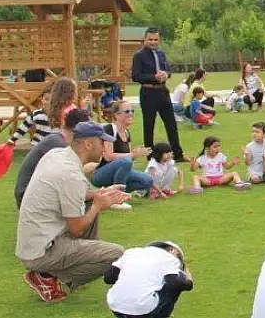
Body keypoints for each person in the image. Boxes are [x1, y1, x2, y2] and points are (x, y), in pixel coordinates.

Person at [16, 122, 128, 303]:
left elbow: (71, 194)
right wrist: (98, 205)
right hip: (42, 250)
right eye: (102, 142)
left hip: (34, 241)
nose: (105, 147)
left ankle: (57, 270)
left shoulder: (57, 155)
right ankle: (50, 278)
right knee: (117, 254)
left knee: (90, 203)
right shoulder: (71, 175)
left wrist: (99, 194)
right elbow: (77, 229)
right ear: (88, 144)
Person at [14, 108, 93, 209]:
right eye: (90, 128)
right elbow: (71, 180)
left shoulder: (58, 140)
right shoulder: (58, 144)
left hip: (31, 195)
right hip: (28, 197)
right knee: (87, 204)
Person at [105, 241, 193, 318]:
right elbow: (174, 284)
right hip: (143, 310)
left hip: (115, 305)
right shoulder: (170, 258)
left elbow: (109, 278)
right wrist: (189, 282)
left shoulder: (131, 252)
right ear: (173, 251)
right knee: (180, 277)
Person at [133, 29, 184, 161]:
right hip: (148, 92)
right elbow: (136, 76)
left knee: (171, 124)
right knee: (149, 125)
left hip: (162, 91)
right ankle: (151, 156)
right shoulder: (139, 55)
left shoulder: (161, 54)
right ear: (144, 39)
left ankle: (178, 154)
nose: (153, 42)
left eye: (156, 40)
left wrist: (166, 74)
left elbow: (168, 69)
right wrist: (153, 77)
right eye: (150, 39)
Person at [94, 100, 154, 205]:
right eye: (127, 111)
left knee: (147, 180)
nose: (131, 113)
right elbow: (108, 156)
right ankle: (117, 199)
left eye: (132, 111)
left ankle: (110, 193)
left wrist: (137, 154)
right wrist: (132, 155)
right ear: (116, 115)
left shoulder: (126, 132)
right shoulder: (109, 129)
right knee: (125, 161)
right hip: (101, 174)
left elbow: (128, 159)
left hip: (120, 171)